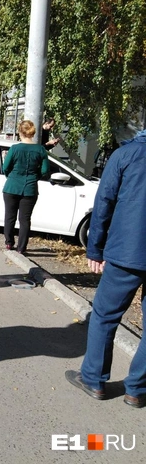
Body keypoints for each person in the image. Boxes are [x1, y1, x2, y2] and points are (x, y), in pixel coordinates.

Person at [65, 130, 146, 409]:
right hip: (128, 251)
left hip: (127, 252)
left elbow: (104, 203)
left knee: (104, 315)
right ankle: (136, 390)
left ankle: (93, 379)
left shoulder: (125, 155)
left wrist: (95, 247)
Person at [1, 120, 49, 254]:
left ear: (20, 132)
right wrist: (34, 177)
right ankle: (21, 248)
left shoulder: (15, 149)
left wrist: (11, 177)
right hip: (30, 188)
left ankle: (9, 243)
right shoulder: (40, 150)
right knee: (25, 219)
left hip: (11, 187)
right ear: (32, 133)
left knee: (10, 216)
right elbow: (45, 171)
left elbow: (5, 167)